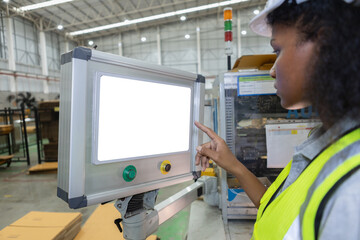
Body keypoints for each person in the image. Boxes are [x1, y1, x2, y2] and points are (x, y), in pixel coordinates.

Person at [194, 0, 360, 239]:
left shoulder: (352, 189)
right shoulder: (323, 140)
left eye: (277, 51)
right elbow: (272, 205)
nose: (272, 69)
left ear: (323, 46)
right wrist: (232, 164)